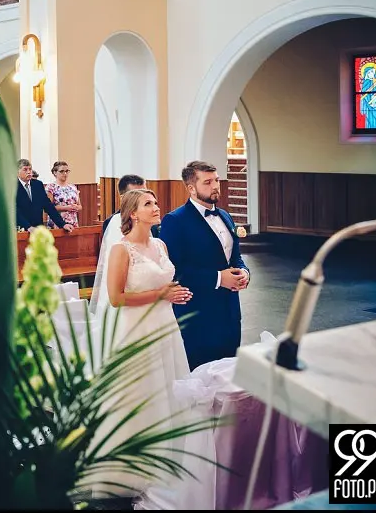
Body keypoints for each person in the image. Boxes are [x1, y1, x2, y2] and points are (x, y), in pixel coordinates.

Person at [85, 188, 195, 502]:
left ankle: (162, 466)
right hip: (134, 329)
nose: (156, 207)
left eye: (156, 202)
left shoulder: (160, 244)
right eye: (148, 204)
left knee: (165, 390)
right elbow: (117, 298)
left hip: (164, 326)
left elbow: (162, 282)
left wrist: (174, 292)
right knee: (139, 395)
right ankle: (125, 474)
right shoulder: (122, 250)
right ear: (133, 213)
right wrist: (162, 295)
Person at [160, 160, 249, 371]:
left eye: (216, 180)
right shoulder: (175, 221)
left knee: (227, 372)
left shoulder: (225, 216)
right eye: (208, 182)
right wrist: (219, 278)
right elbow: (175, 271)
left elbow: (234, 256)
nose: (216, 186)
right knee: (201, 377)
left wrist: (243, 271)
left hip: (229, 310)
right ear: (191, 188)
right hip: (198, 314)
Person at [15, 158, 71, 232]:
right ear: (17, 171)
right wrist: (28, 227)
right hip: (21, 229)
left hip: (38, 229)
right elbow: (14, 211)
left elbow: (48, 206)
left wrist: (63, 224)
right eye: (25, 170)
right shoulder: (13, 187)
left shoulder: (38, 184)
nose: (29, 172)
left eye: (30, 169)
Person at [44, 160, 82, 229]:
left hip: (73, 221)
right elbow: (49, 207)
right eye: (62, 171)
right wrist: (66, 208)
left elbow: (80, 206)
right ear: (55, 172)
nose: (65, 173)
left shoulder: (73, 187)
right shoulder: (51, 187)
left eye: (67, 171)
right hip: (58, 222)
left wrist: (76, 207)